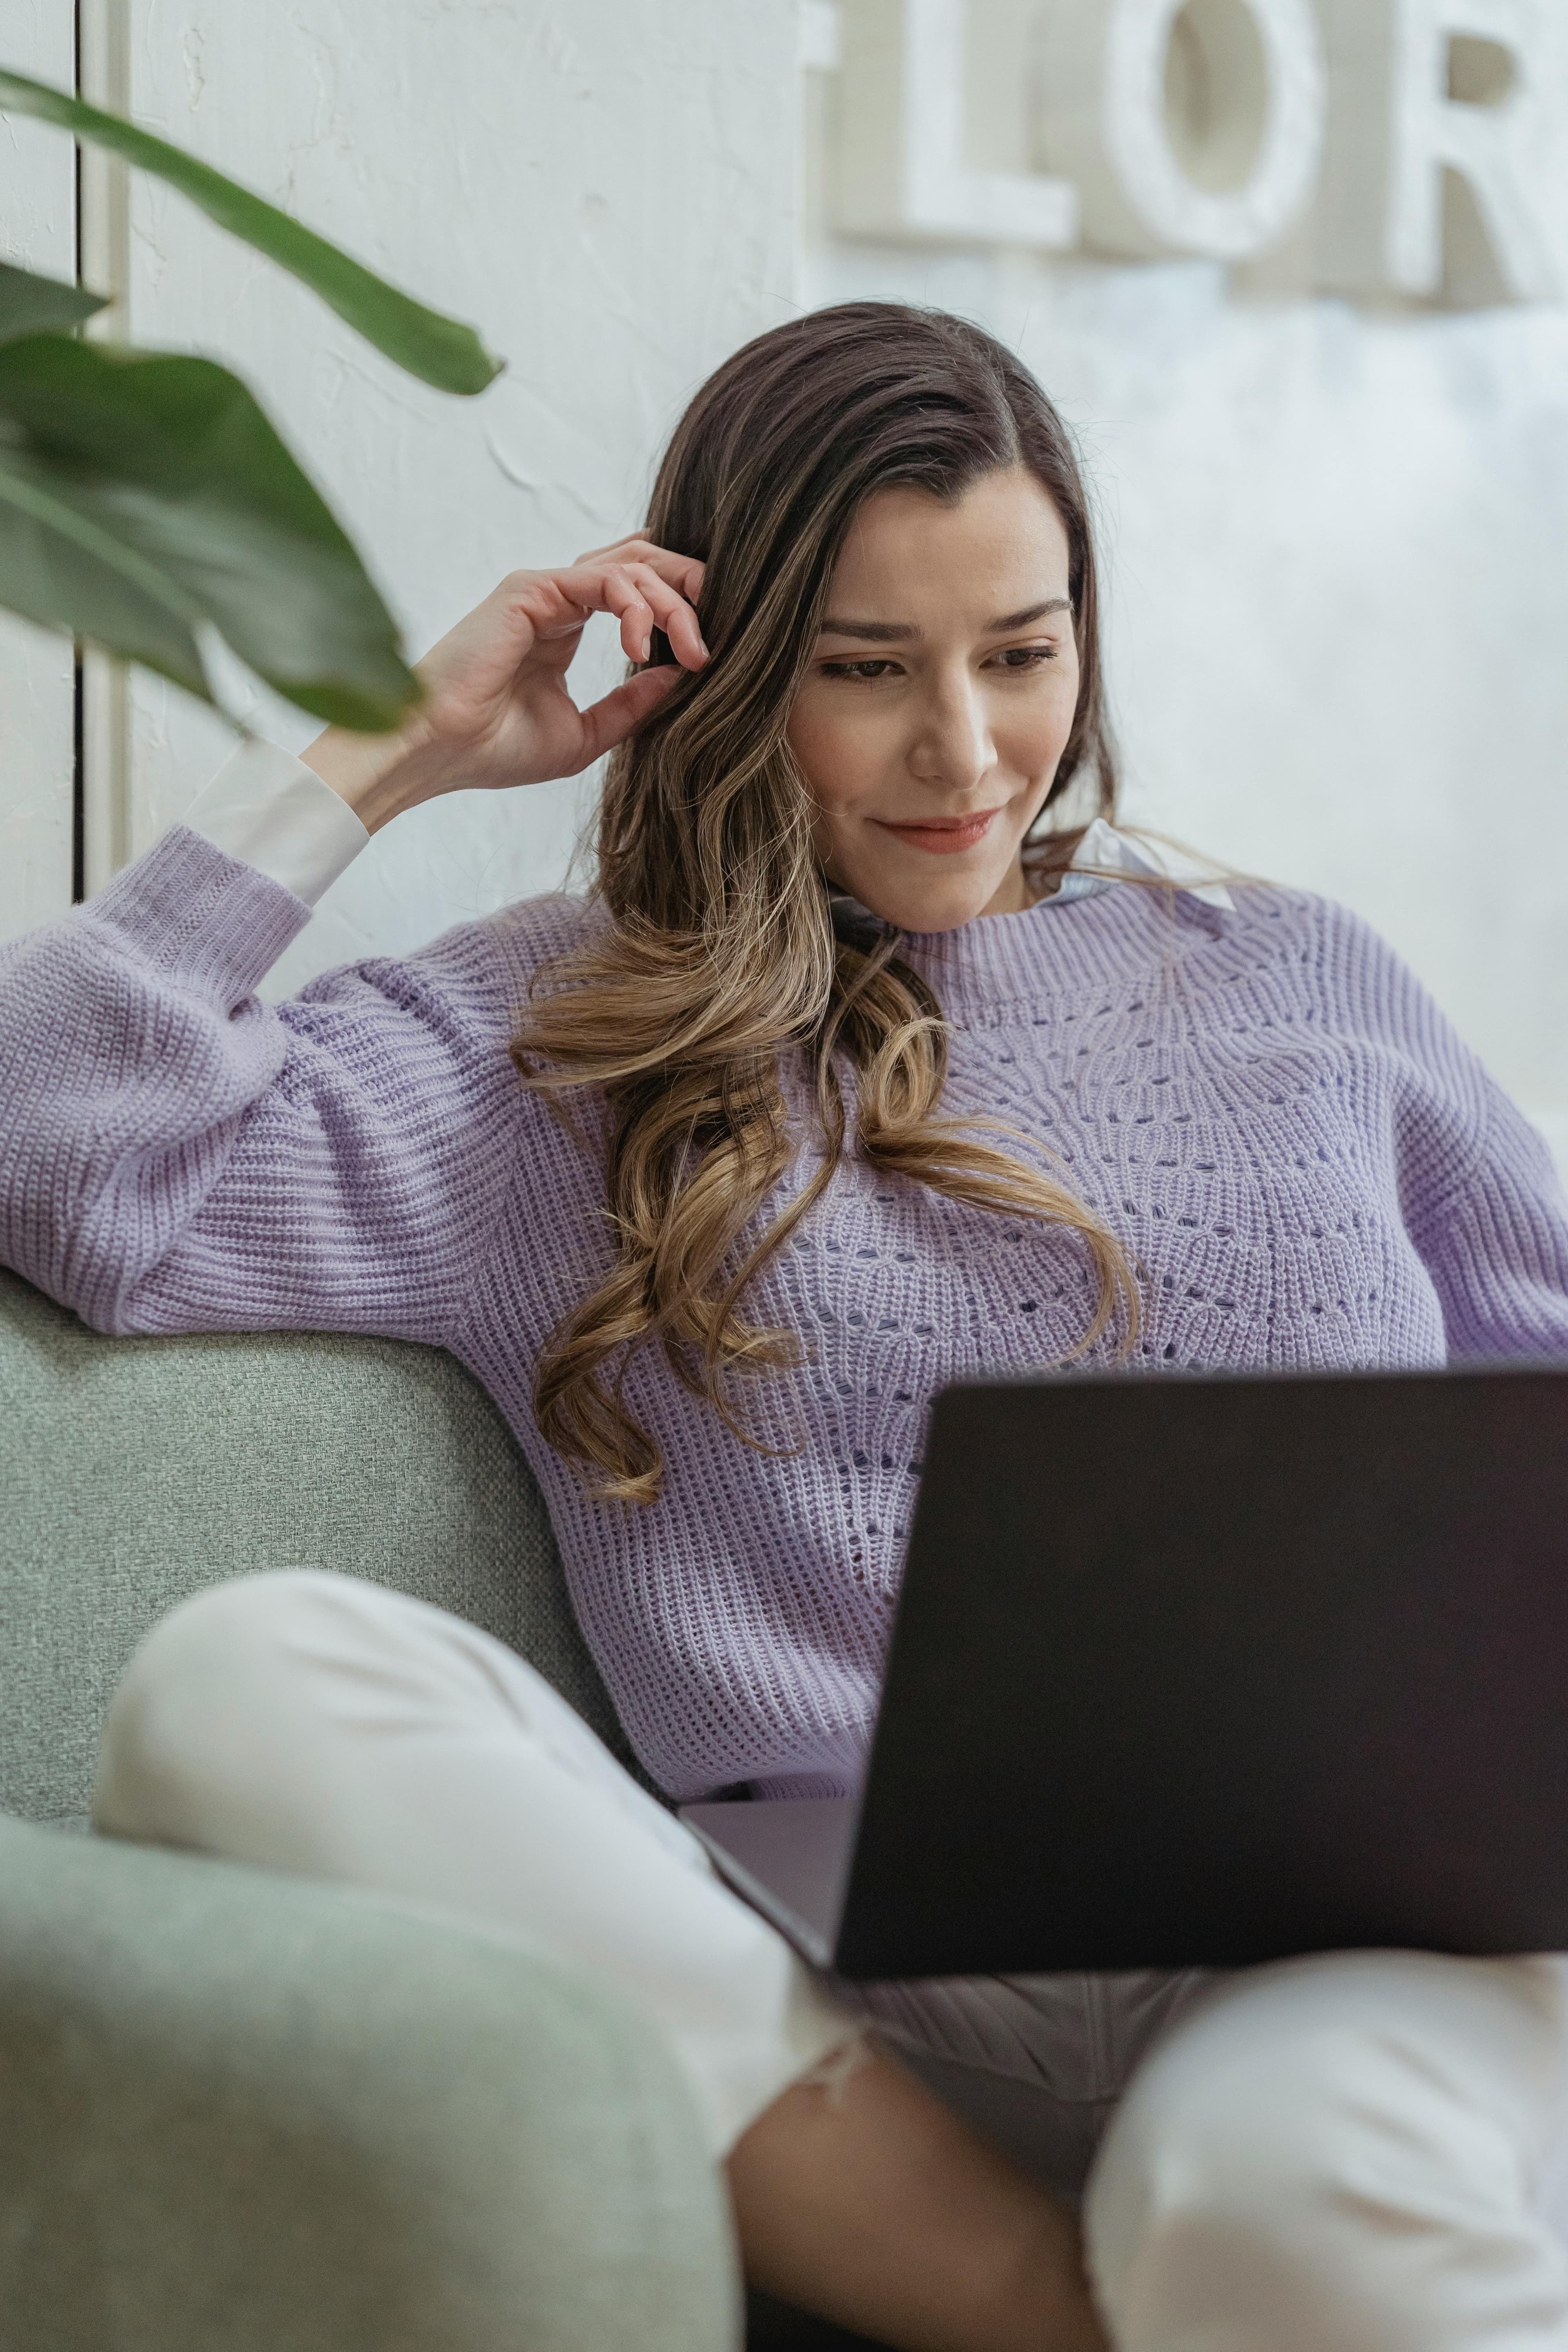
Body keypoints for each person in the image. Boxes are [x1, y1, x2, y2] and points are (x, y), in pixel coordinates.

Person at [2, 301, 1566, 2352]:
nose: (969, 751)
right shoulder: (545, 1056)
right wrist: (384, 745)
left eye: (1022, 649)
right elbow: (54, 1140)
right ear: (724, 677)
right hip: (838, 2019)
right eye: (864, 672)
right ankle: (1030, 2306)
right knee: (243, 1676)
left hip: (1338, 1958)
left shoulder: (1303, 985)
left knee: (1290, 2208)